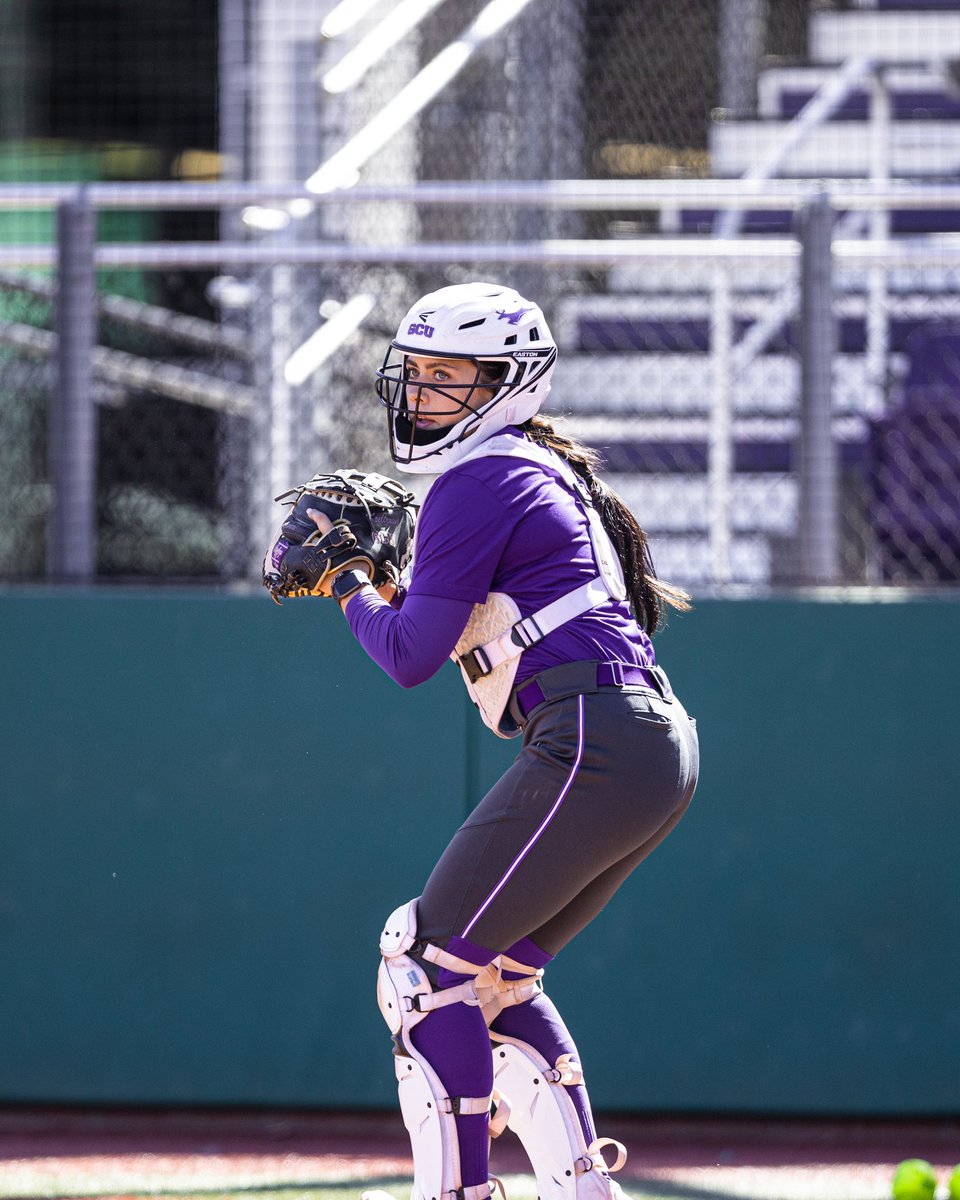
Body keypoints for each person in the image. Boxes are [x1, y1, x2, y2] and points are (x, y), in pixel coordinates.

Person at [315, 282, 700, 1200]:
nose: (424, 394)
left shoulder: (479, 476)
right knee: (494, 983)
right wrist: (384, 578)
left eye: (449, 376)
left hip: (596, 743)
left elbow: (411, 653)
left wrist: (349, 586)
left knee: (421, 970)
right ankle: (580, 1190)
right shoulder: (525, 468)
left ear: (506, 384)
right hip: (651, 748)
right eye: (417, 374)